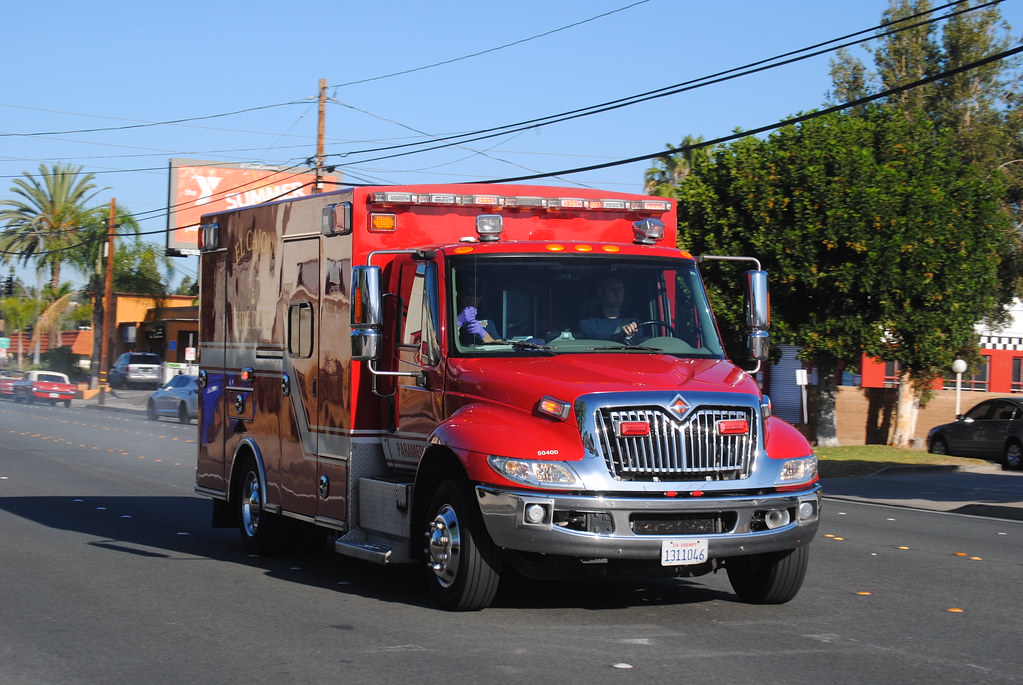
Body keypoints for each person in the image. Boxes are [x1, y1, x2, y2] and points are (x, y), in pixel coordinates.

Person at [579, 276, 639, 343]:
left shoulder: (633, 323)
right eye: (612, 289)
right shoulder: (589, 324)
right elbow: (596, 340)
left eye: (620, 289)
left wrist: (630, 334)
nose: (617, 293)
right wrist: (620, 336)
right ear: (601, 294)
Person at [456, 277, 500, 344]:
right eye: (467, 294)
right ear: (460, 296)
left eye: (477, 294)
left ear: (481, 298)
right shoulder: (449, 314)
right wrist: (458, 321)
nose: (472, 298)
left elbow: (499, 346)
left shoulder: (487, 319)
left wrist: (482, 333)